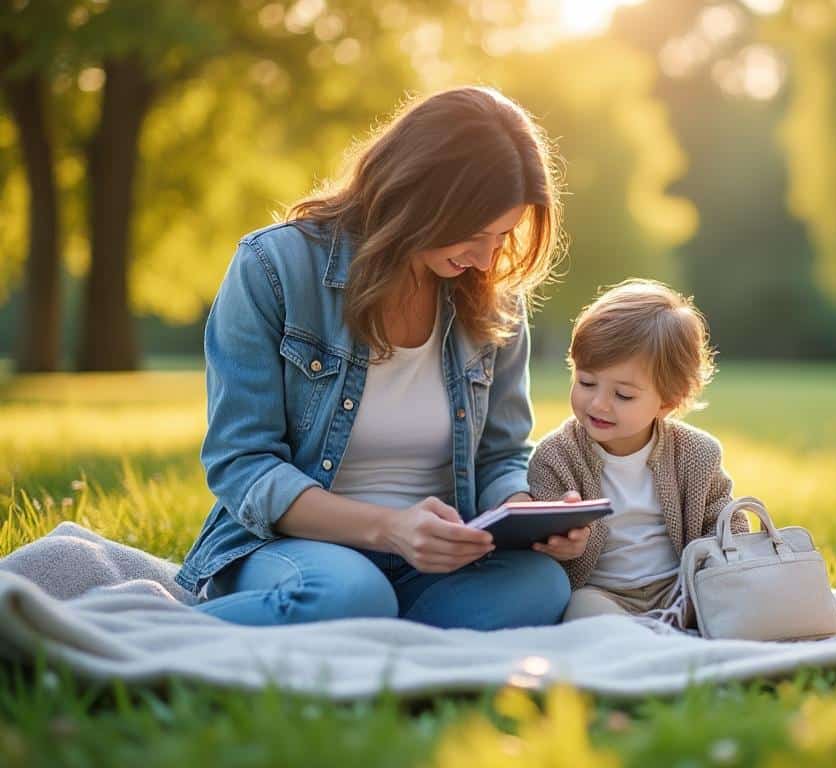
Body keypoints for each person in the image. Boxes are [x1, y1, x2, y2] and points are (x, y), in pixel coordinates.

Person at [176, 87, 579, 629]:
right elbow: (241, 464)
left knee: (540, 585)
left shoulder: (493, 292)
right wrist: (388, 529)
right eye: (475, 232)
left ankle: (372, 631)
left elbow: (500, 454)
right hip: (295, 546)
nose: (487, 258)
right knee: (346, 593)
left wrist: (526, 511)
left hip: (432, 561)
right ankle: (170, 630)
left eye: (502, 235)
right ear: (417, 196)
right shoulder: (274, 267)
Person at [526, 279, 747, 625]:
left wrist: (713, 567)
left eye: (623, 395)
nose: (598, 403)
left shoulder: (697, 454)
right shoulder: (556, 457)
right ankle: (641, 640)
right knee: (584, 612)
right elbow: (541, 544)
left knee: (730, 602)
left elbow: (726, 522)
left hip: (679, 587)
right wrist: (563, 542)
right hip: (601, 592)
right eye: (586, 382)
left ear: (669, 402)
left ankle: (667, 633)